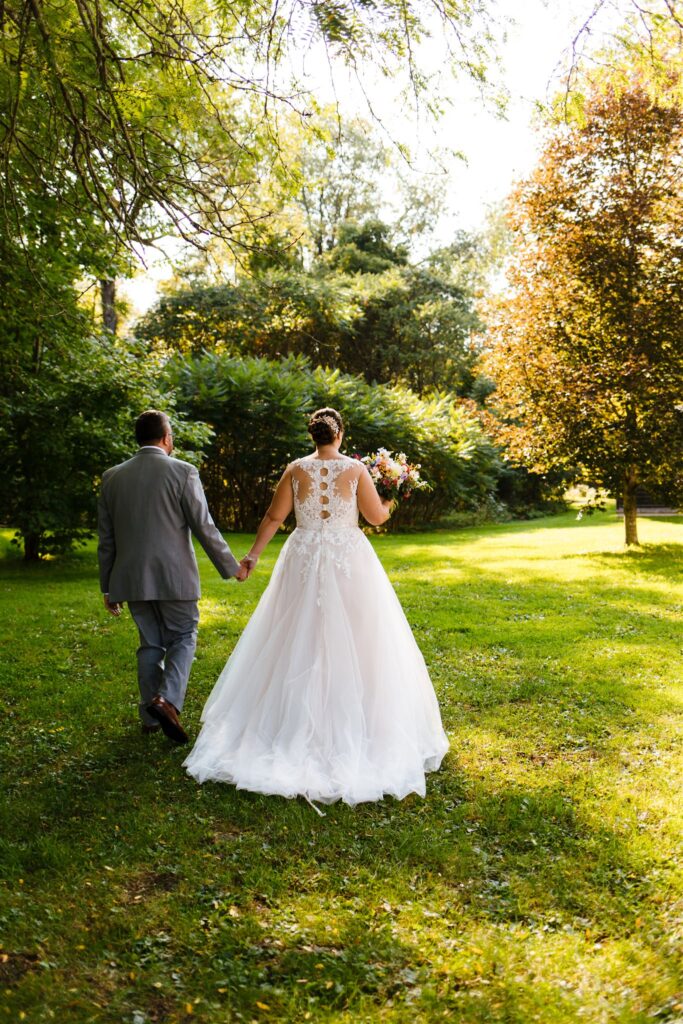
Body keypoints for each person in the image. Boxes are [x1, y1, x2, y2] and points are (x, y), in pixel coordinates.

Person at [183, 407, 449, 807]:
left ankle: (280, 725)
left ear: (314, 436)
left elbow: (275, 517)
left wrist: (253, 556)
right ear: (339, 434)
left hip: (304, 555)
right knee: (363, 635)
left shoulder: (295, 470)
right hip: (347, 555)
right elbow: (375, 517)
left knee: (293, 631)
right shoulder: (356, 470)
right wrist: (391, 496)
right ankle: (359, 721)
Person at [97, 410, 247, 744]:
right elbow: (203, 525)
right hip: (174, 577)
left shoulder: (111, 477)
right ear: (167, 437)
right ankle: (167, 701)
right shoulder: (183, 471)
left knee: (150, 642)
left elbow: (106, 539)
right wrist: (231, 566)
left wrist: (108, 585)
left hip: (131, 578)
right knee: (182, 636)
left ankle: (150, 718)